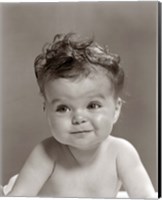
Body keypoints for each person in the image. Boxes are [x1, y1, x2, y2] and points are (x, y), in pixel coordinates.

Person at [6, 33, 155, 198]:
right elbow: (18, 197)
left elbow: (146, 197)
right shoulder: (46, 153)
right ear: (46, 111)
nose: (78, 119)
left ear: (116, 109)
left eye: (92, 106)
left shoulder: (121, 153)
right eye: (63, 108)